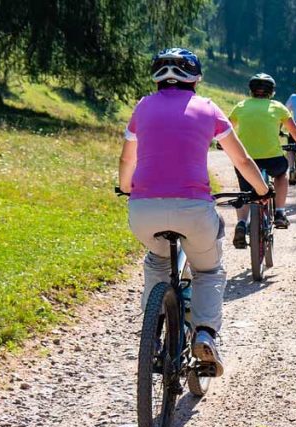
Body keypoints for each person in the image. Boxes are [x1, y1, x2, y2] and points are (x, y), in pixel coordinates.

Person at [118, 48, 272, 377]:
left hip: (144, 211)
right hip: (194, 210)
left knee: (157, 261)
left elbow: (126, 161)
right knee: (208, 270)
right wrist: (262, 191)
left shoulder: (142, 107)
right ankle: (204, 334)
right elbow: (242, 161)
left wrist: (127, 187)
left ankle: (154, 334)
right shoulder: (208, 108)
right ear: (196, 78)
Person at [229, 73, 296, 246]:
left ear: (251, 90)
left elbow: (228, 129)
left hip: (247, 160)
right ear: (271, 91)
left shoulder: (240, 106)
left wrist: (223, 145)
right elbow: (294, 131)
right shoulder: (278, 107)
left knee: (245, 191)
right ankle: (280, 212)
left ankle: (242, 223)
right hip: (273, 160)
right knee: (282, 174)